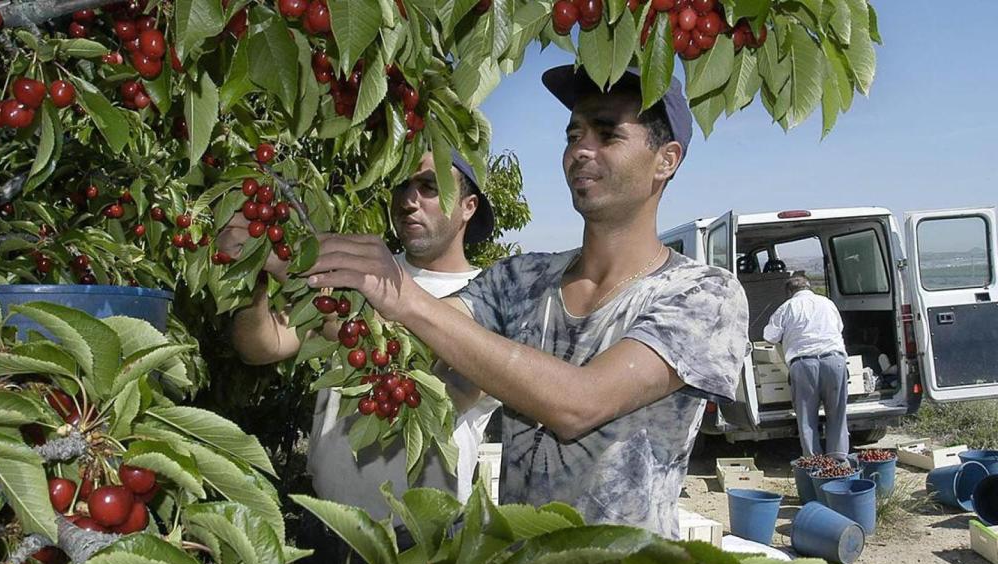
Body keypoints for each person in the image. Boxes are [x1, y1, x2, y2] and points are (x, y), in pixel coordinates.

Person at [301, 66, 749, 538]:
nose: (581, 150)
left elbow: (579, 403)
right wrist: (298, 269)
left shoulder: (704, 295)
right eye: (574, 134)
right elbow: (406, 344)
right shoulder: (520, 279)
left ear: (666, 160)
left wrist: (403, 295)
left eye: (607, 134)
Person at [217, 150, 497, 564]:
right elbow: (263, 344)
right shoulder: (361, 266)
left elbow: (439, 387)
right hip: (327, 527)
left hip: (419, 543)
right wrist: (249, 274)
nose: (409, 200)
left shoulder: (491, 296)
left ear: (468, 206)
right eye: (402, 186)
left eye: (428, 186)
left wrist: (293, 270)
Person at [763, 275, 849, 458]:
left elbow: (769, 336)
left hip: (803, 364)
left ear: (789, 292)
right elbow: (839, 327)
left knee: (807, 418)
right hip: (835, 361)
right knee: (837, 415)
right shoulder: (827, 303)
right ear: (809, 287)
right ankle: (839, 461)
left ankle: (814, 464)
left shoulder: (786, 308)